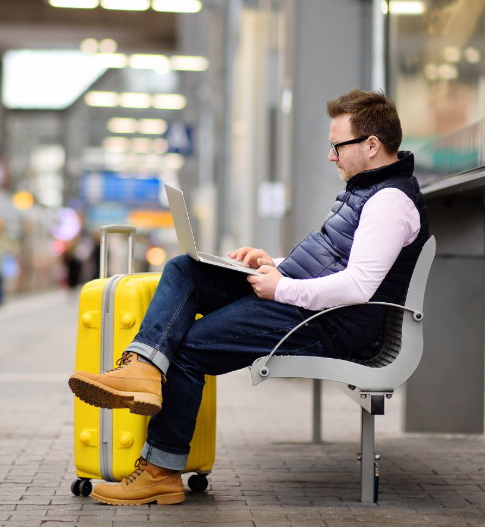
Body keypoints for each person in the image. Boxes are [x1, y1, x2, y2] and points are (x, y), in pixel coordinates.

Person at [68, 88, 431, 506]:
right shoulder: (369, 190)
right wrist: (269, 263)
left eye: (337, 145)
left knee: (189, 350)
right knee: (186, 269)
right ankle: (144, 368)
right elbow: (330, 262)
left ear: (371, 145)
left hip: (327, 324)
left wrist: (282, 286)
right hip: (301, 302)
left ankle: (160, 472)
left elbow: (358, 286)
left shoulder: (389, 202)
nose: (331, 156)